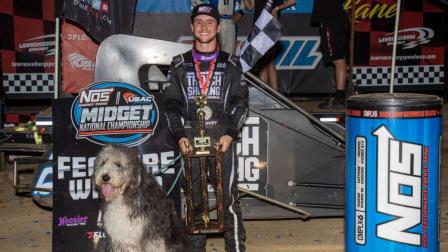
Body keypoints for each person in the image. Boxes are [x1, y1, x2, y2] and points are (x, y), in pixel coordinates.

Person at [164, 4, 248, 252]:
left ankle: (236, 248)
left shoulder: (231, 64)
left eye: (209, 22)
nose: (203, 26)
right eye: (198, 21)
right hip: (190, 139)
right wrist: (179, 136)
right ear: (192, 27)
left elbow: (242, 105)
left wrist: (230, 134)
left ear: (219, 27)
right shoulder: (179, 65)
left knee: (229, 201)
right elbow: (170, 106)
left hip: (221, 139)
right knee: (194, 201)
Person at [311, 0, 350, 109]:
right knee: (339, 59)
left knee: (338, 59)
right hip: (337, 21)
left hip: (332, 22)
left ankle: (340, 97)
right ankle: (341, 95)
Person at [252, 0, 296, 90]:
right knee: (266, 62)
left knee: (265, 61)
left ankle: (267, 94)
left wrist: (276, 8)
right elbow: (251, 6)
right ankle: (273, 95)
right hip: (258, 27)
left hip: (269, 26)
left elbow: (292, 1)